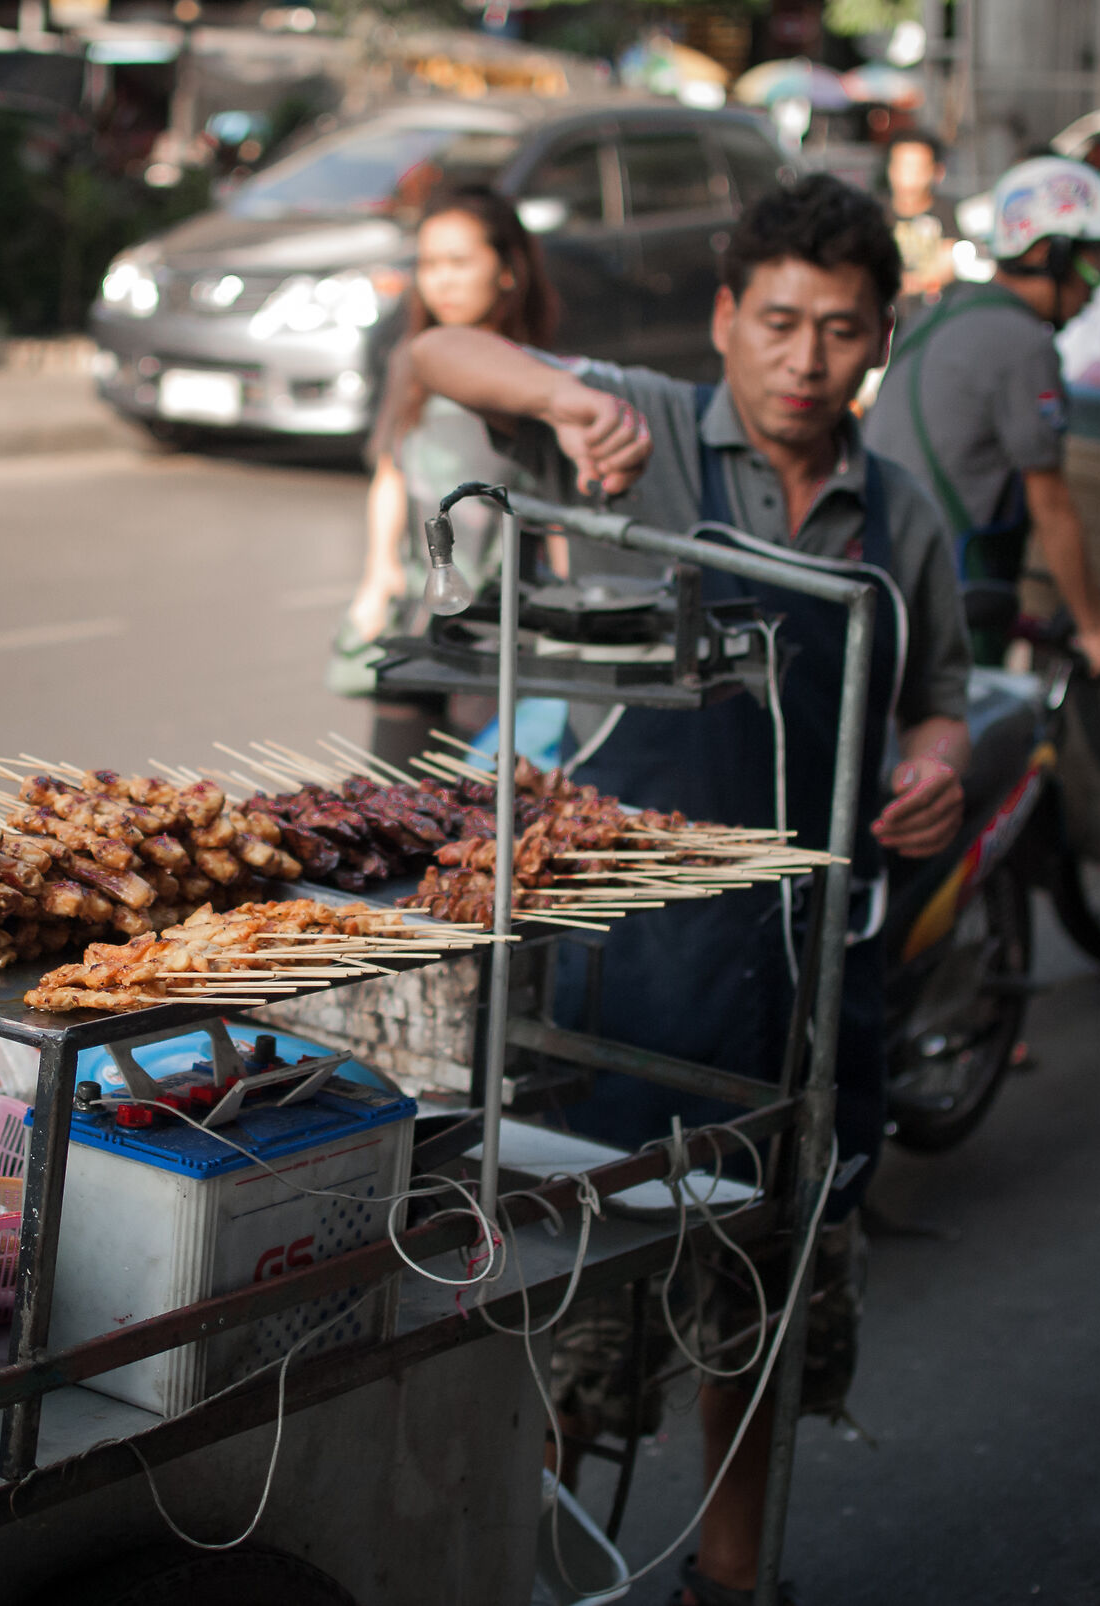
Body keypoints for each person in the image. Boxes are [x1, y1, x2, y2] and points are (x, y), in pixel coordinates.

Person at [404, 174, 971, 1606]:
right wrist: (561, 397)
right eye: (778, 322)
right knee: (575, 1338)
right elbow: (440, 355)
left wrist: (934, 763)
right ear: (725, 319)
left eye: (839, 329)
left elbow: (942, 700)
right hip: (633, 981)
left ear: (882, 337)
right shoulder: (644, 430)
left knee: (758, 1313)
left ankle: (728, 1579)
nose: (804, 359)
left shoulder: (901, 518)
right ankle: (527, 1571)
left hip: (806, 985)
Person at [861, 156, 1100, 676]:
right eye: (1094, 266)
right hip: (949, 604)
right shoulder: (1023, 344)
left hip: (882, 579)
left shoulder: (939, 313)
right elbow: (1051, 504)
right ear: (1048, 253)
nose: (1095, 289)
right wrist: (1097, 631)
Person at [334, 189, 561, 764]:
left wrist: (570, 618)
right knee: (390, 786)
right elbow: (391, 471)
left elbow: (559, 514)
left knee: (475, 791)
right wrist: (377, 576)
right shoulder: (409, 361)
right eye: (430, 264)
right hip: (418, 609)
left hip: (500, 624)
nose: (442, 281)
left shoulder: (538, 377)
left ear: (508, 270)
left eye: (459, 262)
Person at [883, 131, 957, 327]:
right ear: (890, 169)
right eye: (903, 165)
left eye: (917, 167)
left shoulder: (946, 213)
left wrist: (907, 283)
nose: (909, 174)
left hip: (935, 318)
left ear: (936, 171)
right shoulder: (876, 213)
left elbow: (948, 265)